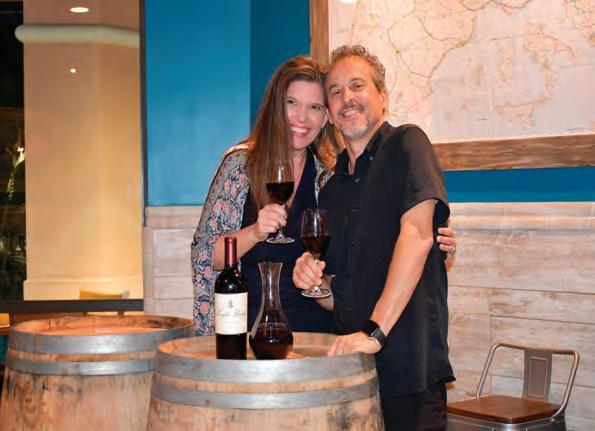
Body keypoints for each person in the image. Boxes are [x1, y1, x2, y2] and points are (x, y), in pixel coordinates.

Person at [191, 55, 458, 339]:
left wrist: (435, 243)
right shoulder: (240, 167)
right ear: (275, 108)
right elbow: (204, 256)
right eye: (291, 103)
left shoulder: (329, 177)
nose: (302, 117)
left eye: (315, 107)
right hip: (247, 336)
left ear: (326, 117)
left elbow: (365, 253)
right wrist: (254, 232)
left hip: (316, 341)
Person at [293, 45, 455, 430]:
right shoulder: (330, 191)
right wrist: (313, 284)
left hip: (409, 373)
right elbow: (340, 298)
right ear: (330, 112)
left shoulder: (408, 145)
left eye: (357, 85)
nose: (346, 97)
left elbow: (417, 235)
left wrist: (374, 331)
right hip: (351, 373)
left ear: (382, 96)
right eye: (335, 91)